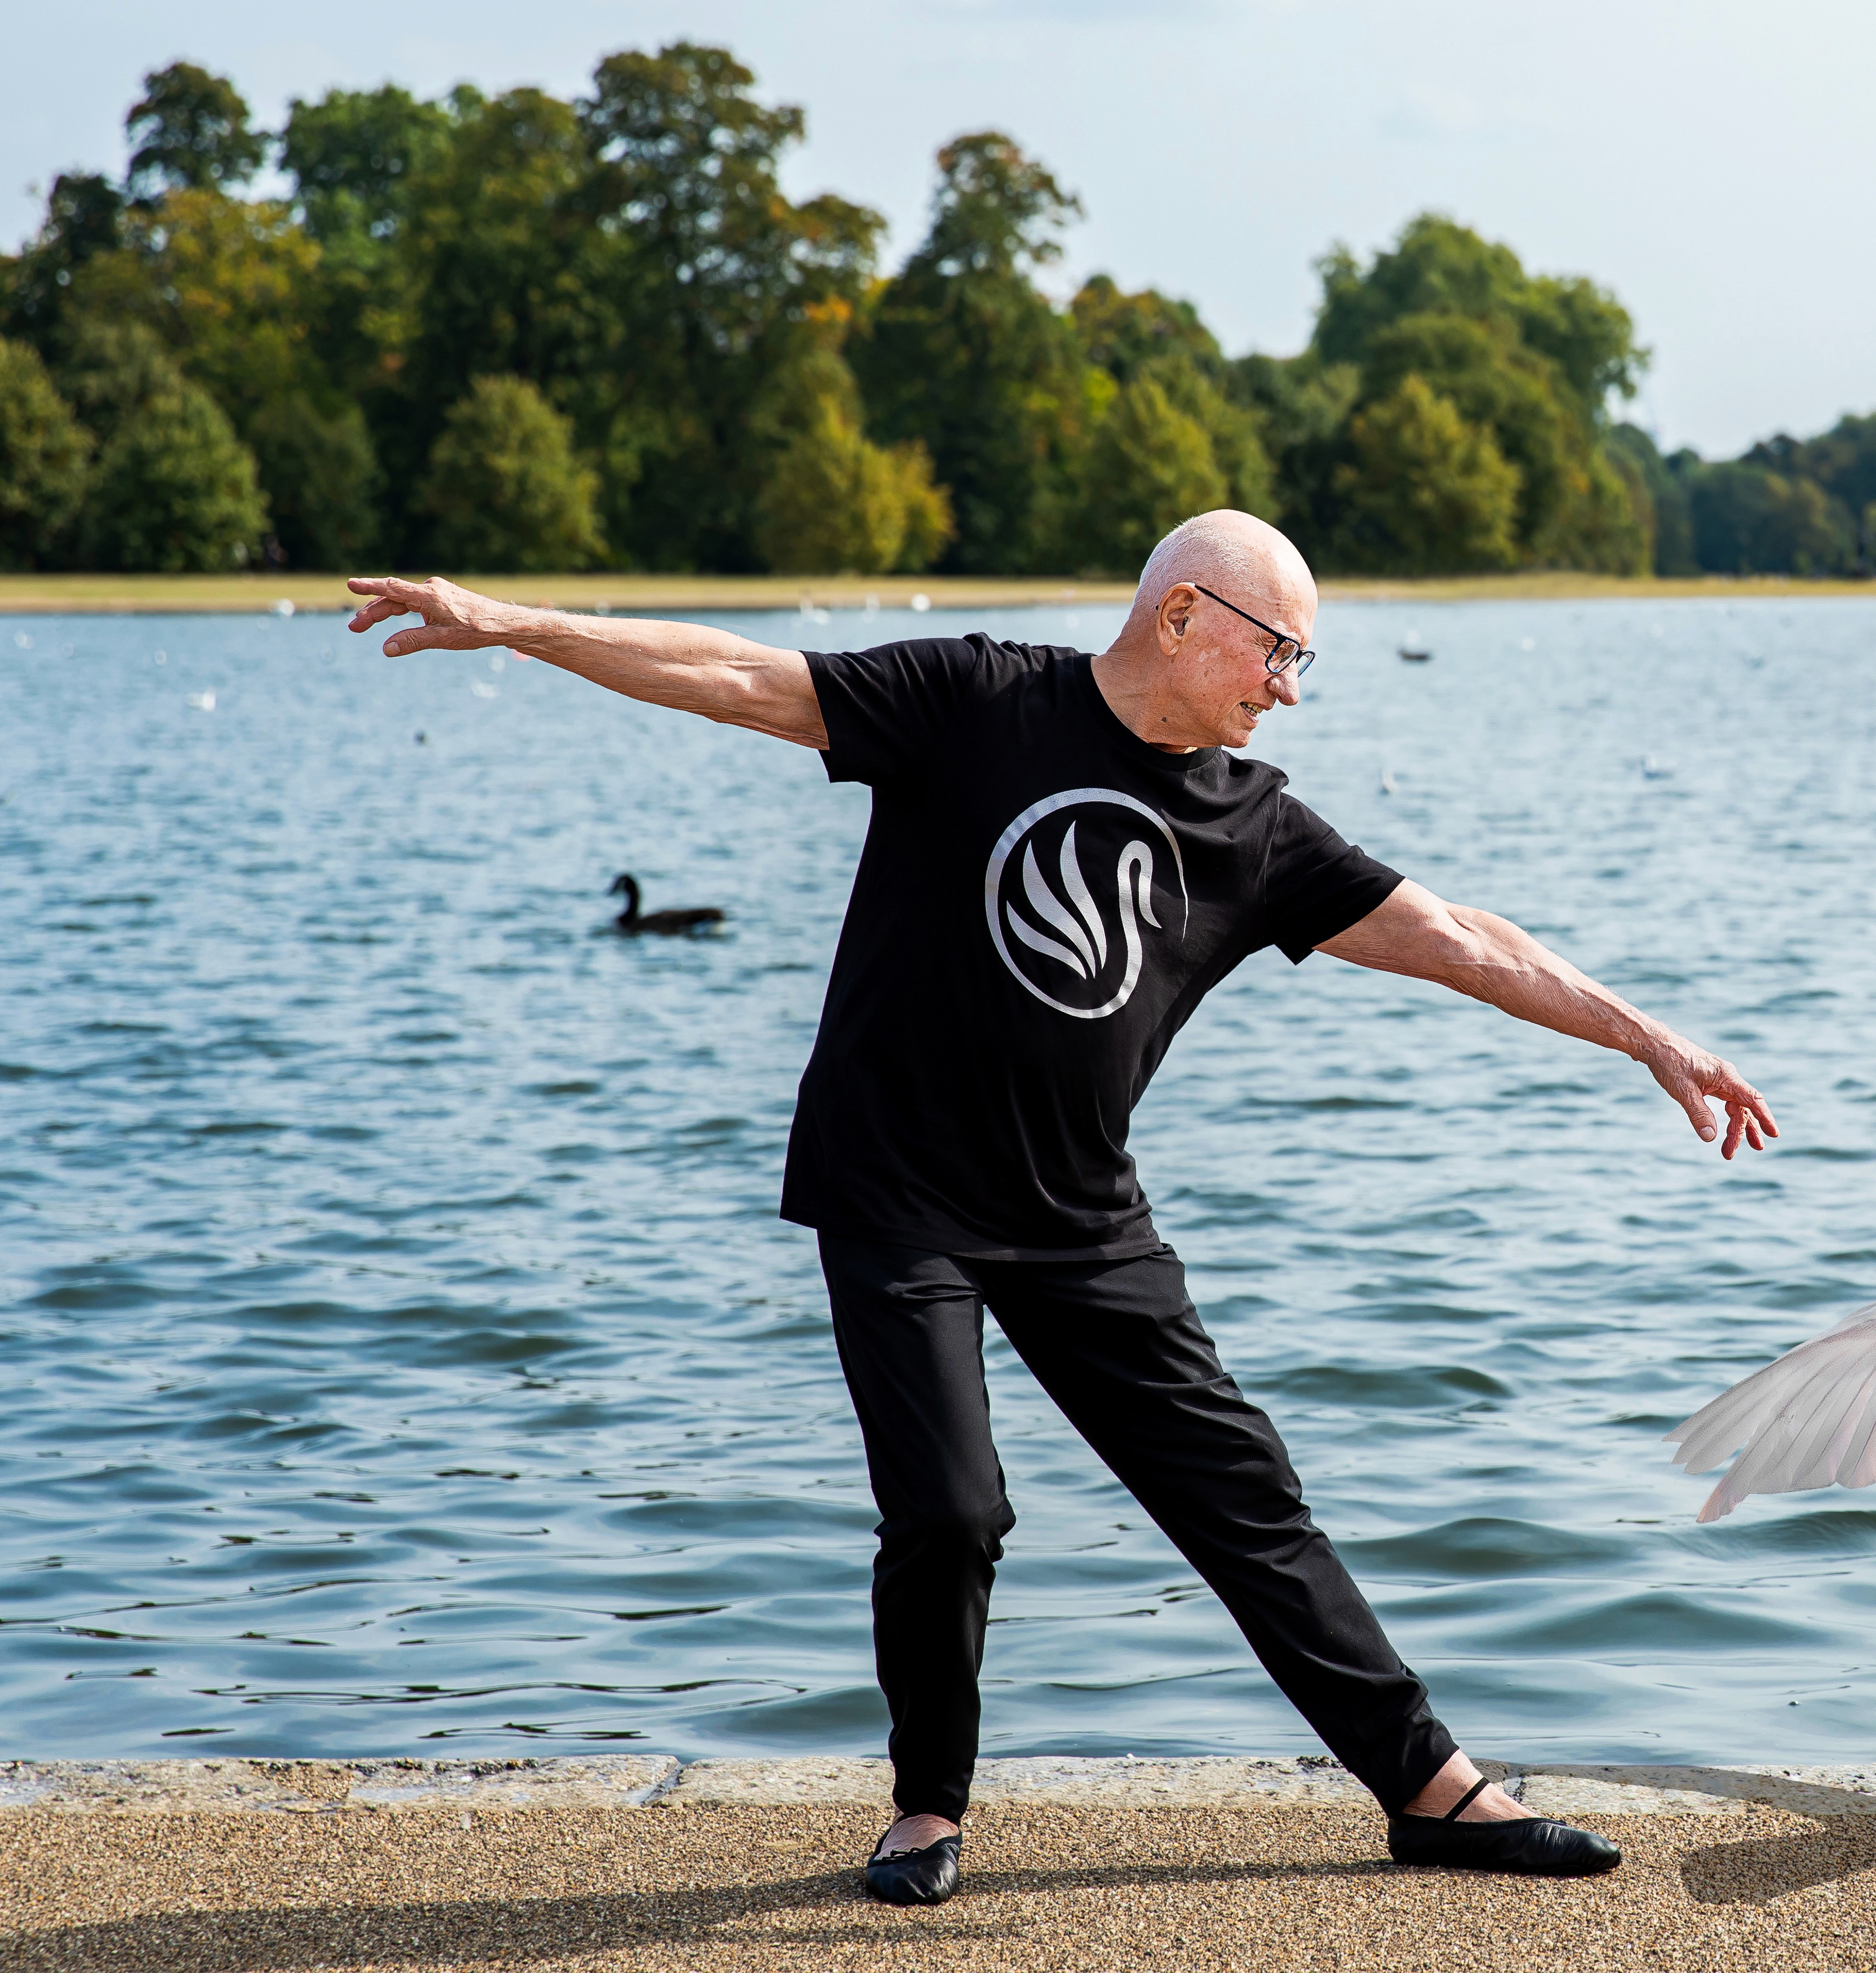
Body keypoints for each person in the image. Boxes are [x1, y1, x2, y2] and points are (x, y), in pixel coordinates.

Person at [344, 511, 1777, 1905]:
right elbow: (735, 673)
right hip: (896, 1195)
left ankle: (1428, 1790)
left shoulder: (1250, 823)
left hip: (1082, 1218)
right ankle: (929, 1801)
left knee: (1247, 1498)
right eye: (1277, 656)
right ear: (1181, 617)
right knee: (954, 1511)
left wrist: (1645, 1034)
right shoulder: (975, 702)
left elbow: (1463, 939)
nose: (1286, 693)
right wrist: (509, 623)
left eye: (1301, 670)